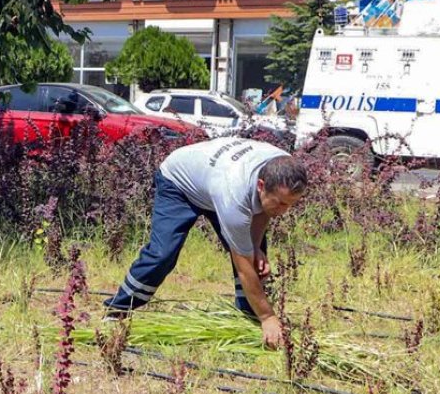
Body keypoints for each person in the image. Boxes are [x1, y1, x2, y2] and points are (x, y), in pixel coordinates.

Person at [106, 137, 309, 349]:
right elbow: (243, 266)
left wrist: (256, 246)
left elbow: (264, 209)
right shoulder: (234, 195)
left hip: (214, 179)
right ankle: (117, 310)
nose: (284, 211)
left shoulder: (284, 168)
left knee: (255, 257)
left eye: (290, 205)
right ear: (261, 185)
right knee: (163, 255)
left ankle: (246, 317)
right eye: (280, 203)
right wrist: (268, 316)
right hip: (179, 182)